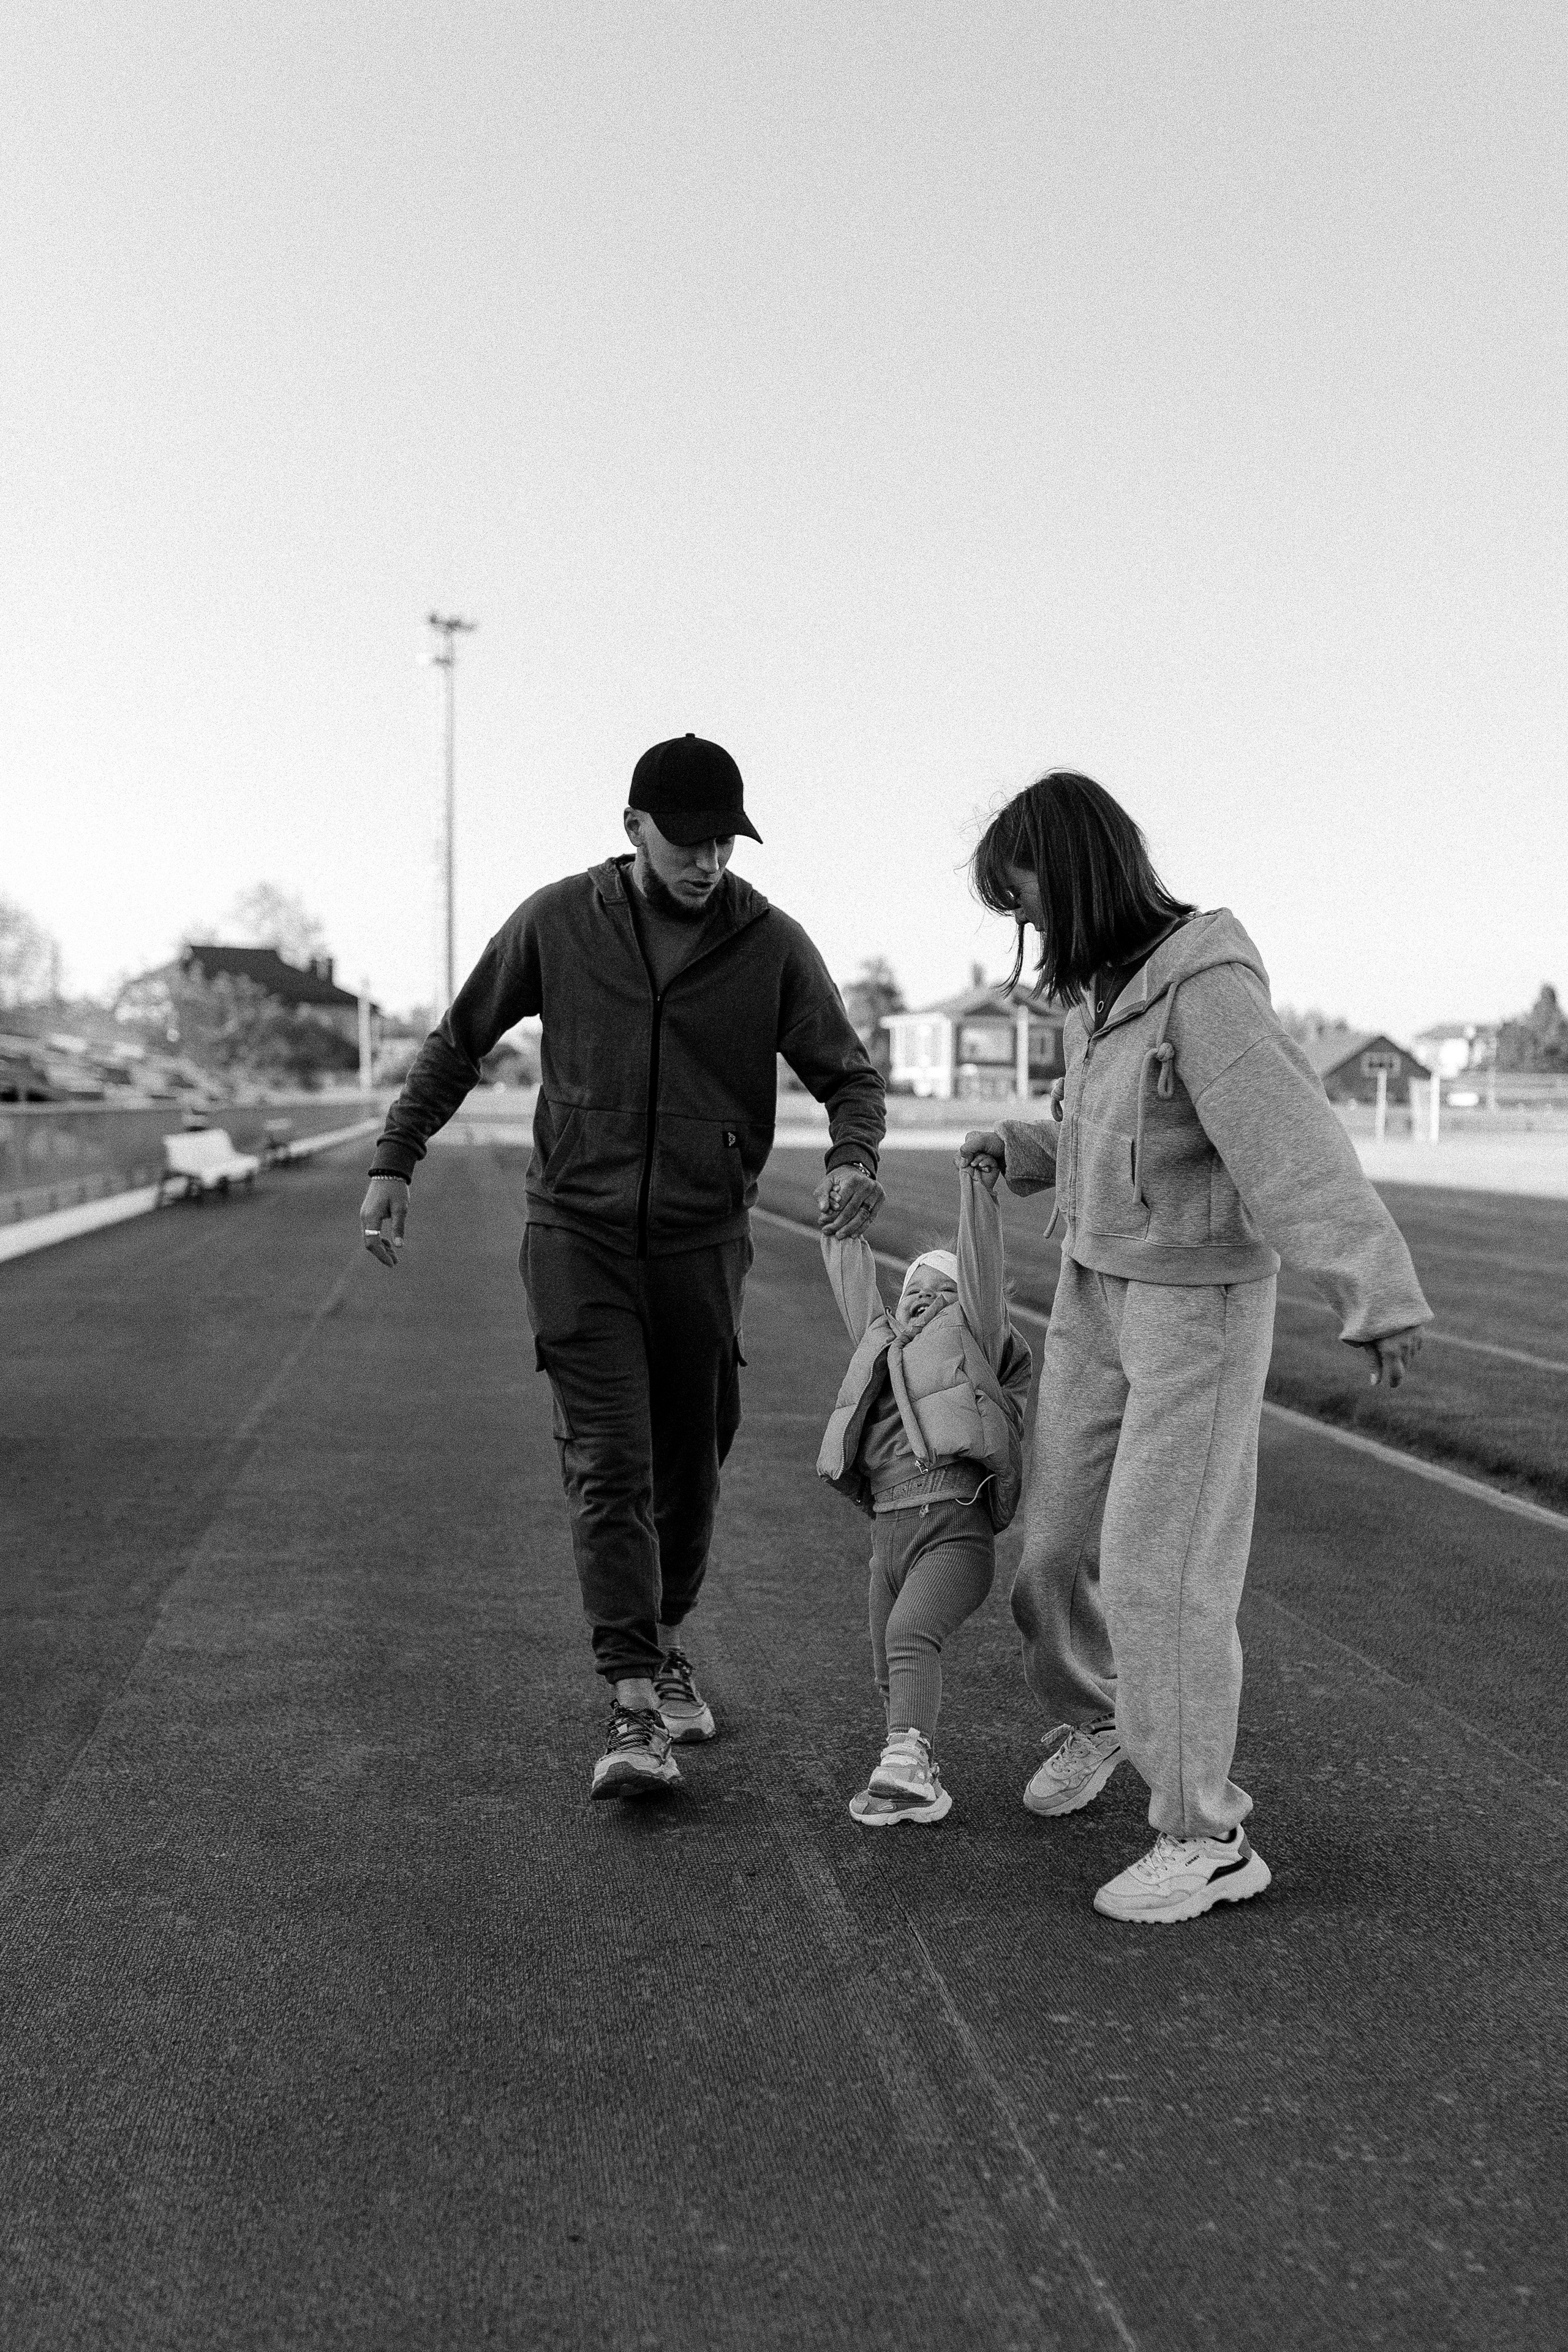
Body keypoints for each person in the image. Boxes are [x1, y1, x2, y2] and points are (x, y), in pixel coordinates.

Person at [360, 734, 886, 1800]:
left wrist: (855, 1157)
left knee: (691, 1467)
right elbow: (460, 1040)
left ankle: (664, 1639)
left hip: (701, 1243)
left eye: (725, 844)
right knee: (609, 1462)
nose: (708, 863)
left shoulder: (771, 943)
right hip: (577, 1235)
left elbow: (847, 1075)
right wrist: (395, 1159)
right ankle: (634, 1705)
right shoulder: (559, 921)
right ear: (633, 827)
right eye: (688, 842)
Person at [961, 770, 1430, 1924]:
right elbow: (1107, 1132)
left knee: (1162, 1575)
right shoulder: (1098, 994)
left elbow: (1286, 1138)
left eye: (1025, 902)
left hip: (1197, 1313)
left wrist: (1371, 1283)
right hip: (1095, 1295)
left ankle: (1206, 1836)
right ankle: (1106, 1717)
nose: (1024, 932)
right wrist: (1029, 1151)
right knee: (1050, 1553)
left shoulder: (1205, 987)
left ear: (1075, 875)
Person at [816, 1156, 1032, 1828]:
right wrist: (839, 1225)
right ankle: (911, 1766)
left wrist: (977, 1188)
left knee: (912, 1633)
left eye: (940, 1292)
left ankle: (906, 1765)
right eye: (913, 1290)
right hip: (887, 1533)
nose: (921, 1300)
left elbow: (982, 1279)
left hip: (952, 1527)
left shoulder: (975, 1342)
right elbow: (854, 1287)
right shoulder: (882, 1348)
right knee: (887, 1660)